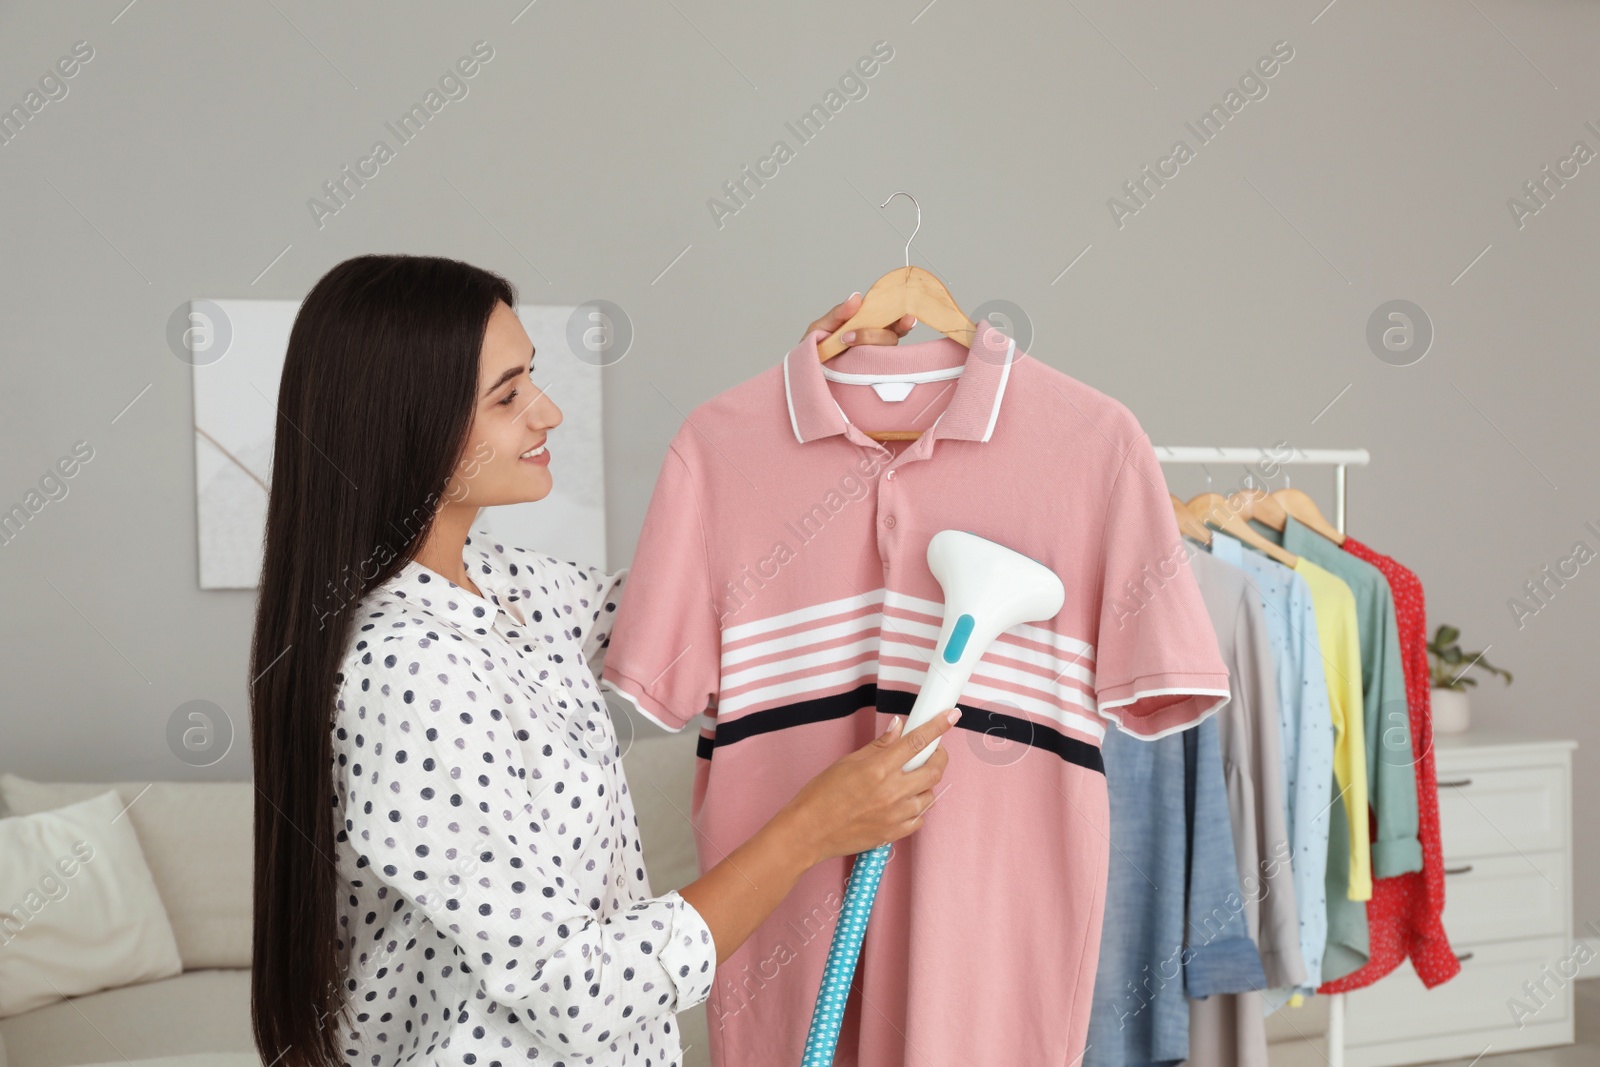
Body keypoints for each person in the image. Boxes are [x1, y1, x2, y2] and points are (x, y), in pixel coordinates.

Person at [248, 253, 957, 1067]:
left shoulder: (509, 589)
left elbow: (702, 607)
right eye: (508, 396)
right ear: (408, 422)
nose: (547, 413)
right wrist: (808, 830)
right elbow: (575, 987)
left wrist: (792, 423)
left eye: (533, 380)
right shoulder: (409, 672)